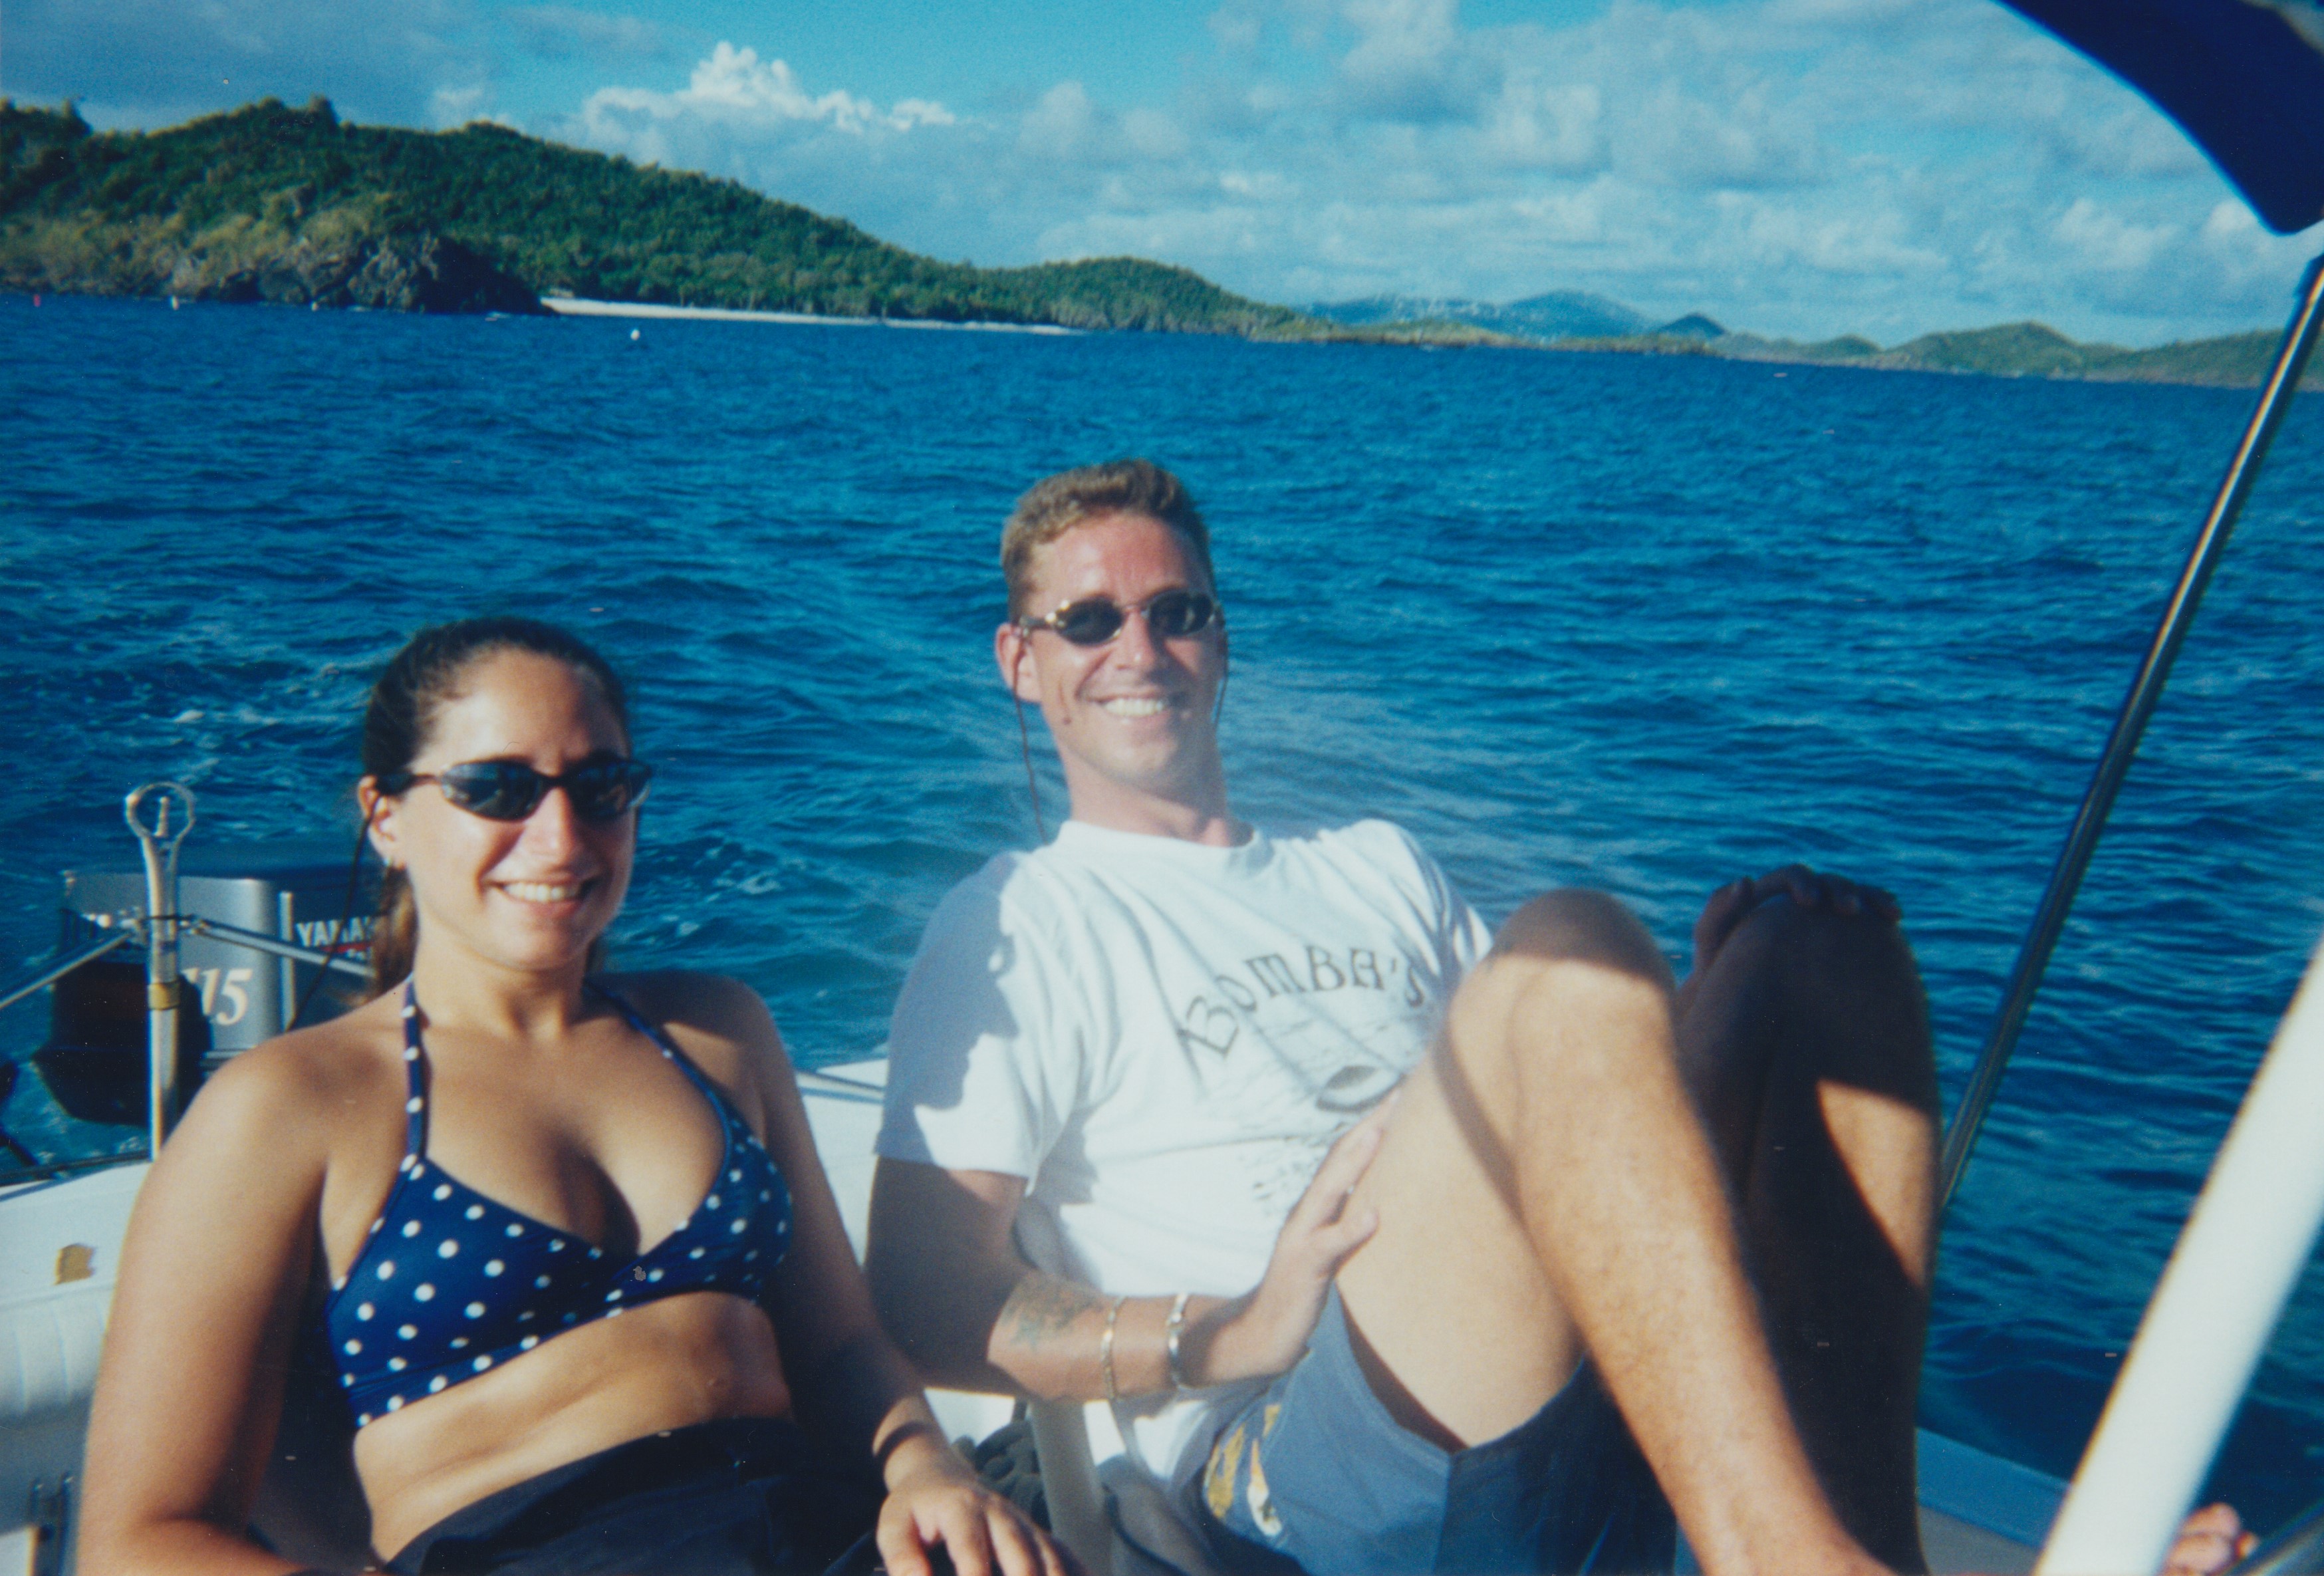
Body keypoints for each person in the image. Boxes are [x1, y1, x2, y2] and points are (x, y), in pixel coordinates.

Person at [866, 460, 2262, 1576]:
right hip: (1280, 1446)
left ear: (1221, 638)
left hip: (1517, 1347)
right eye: (1089, 621)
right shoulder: (1018, 922)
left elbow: (1554, 1094)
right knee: (1579, 940)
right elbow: (926, 1297)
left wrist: (1710, 1010)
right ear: (1020, 661)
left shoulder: (1376, 862)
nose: (1140, 647)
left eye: (1177, 610)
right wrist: (1224, 1330)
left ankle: (1862, 1543)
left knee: (1818, 948)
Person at [80, 616, 1070, 1576]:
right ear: (385, 817)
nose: (559, 838)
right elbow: (140, 1541)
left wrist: (928, 1469)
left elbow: (841, 1347)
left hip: (822, 1529)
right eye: (496, 789)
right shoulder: (292, 1103)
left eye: (600, 787)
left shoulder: (718, 1033)